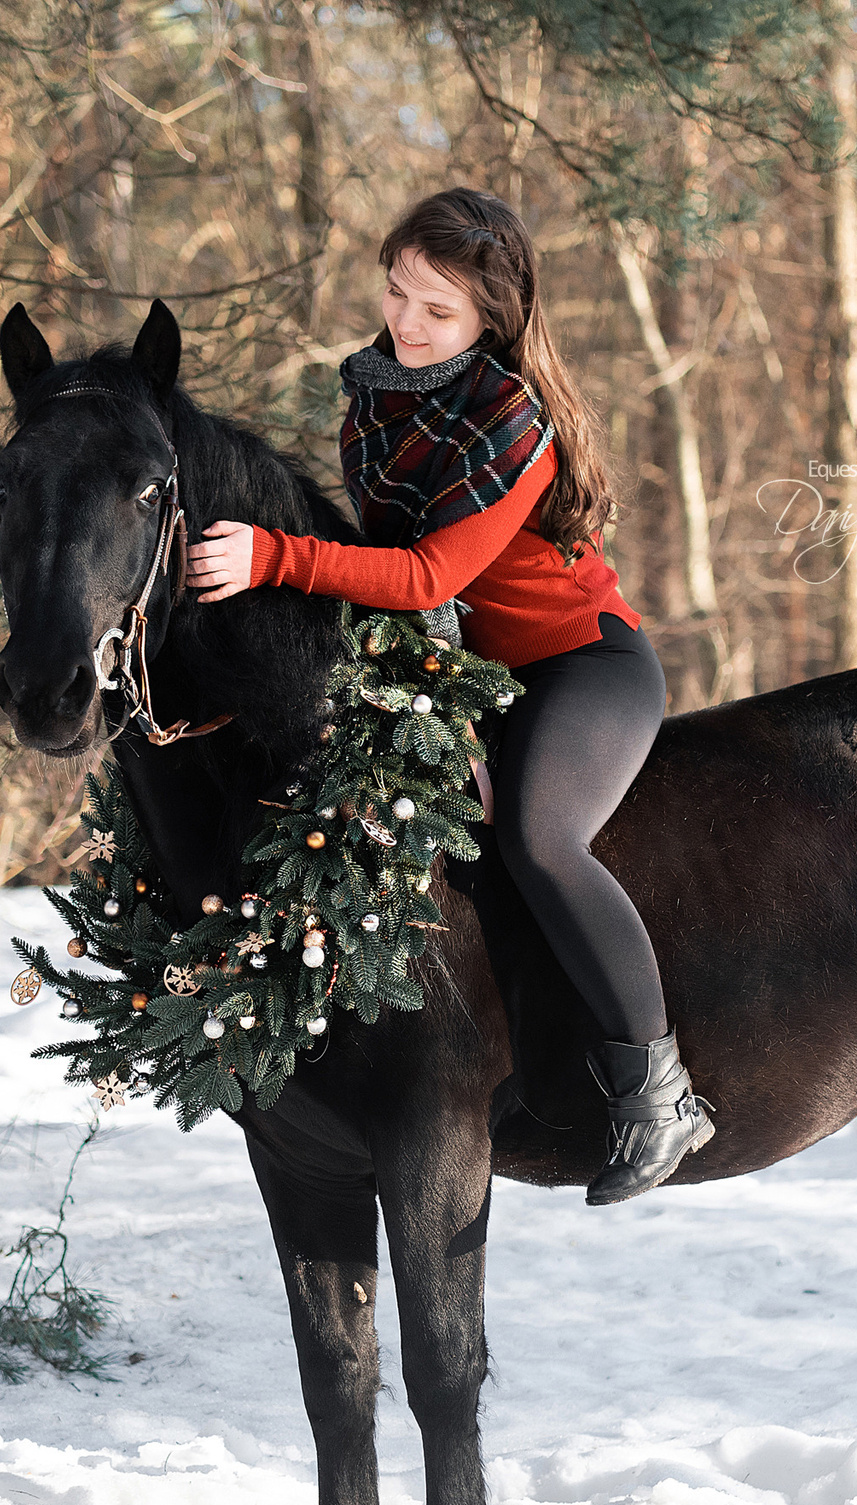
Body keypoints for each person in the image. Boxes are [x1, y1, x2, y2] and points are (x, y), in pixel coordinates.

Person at [183, 185, 713, 1205]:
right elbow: (381, 564)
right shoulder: (377, 400)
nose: (409, 325)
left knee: (537, 836)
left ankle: (660, 1092)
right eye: (398, 294)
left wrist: (272, 556)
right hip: (468, 669)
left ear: (491, 323)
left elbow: (426, 574)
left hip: (580, 664)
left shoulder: (514, 423)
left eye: (439, 312)